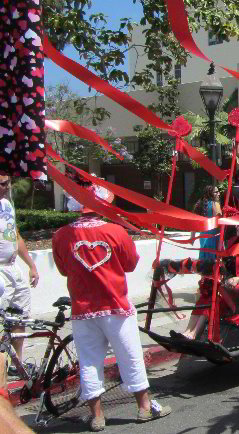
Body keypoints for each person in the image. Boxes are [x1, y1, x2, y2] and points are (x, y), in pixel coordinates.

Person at [52, 184, 171, 431]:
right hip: (115, 306)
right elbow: (130, 264)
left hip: (82, 310)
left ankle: (97, 416)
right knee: (130, 355)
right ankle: (144, 407)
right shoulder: (115, 231)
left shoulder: (61, 235)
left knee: (88, 361)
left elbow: (63, 269)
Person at [175, 199, 239, 340]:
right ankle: (188, 332)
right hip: (232, 286)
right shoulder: (236, 243)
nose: (237, 227)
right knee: (207, 294)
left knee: (214, 297)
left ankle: (194, 334)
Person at [0, 174, 39, 377]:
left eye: (7, 183)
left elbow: (15, 235)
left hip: (13, 267)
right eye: (2, 184)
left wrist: (31, 265)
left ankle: (17, 363)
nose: (7, 187)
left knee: (20, 317)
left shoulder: (7, 204)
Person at [193, 185, 222, 260]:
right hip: (213, 236)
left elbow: (194, 222)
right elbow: (219, 221)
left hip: (203, 236)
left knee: (204, 259)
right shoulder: (215, 204)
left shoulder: (200, 204)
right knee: (213, 260)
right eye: (216, 192)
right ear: (210, 193)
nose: (219, 194)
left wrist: (192, 237)